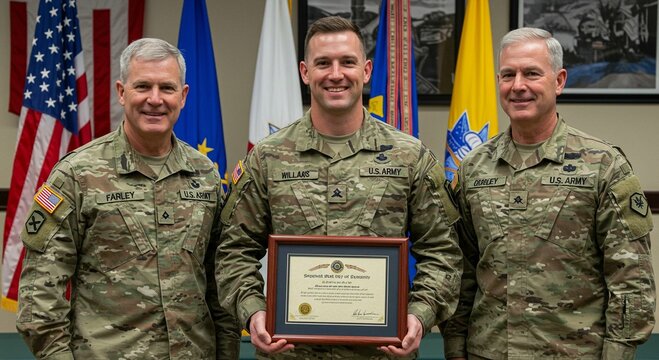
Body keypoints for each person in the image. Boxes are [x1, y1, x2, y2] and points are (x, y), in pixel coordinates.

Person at [216, 16, 462, 359]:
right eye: (322, 63)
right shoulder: (268, 158)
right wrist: (254, 311)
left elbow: (443, 252)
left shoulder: (409, 156)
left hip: (381, 353)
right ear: (304, 72)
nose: (335, 74)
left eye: (347, 62)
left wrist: (418, 316)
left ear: (366, 70)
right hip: (290, 353)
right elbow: (234, 251)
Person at [16, 38, 240, 359]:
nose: (155, 99)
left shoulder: (205, 174)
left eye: (167, 88)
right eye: (142, 86)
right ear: (122, 92)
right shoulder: (78, 174)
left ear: (183, 96)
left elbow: (219, 283)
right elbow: (40, 292)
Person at [440, 27, 656, 359]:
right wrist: (455, 347)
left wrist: (618, 352)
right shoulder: (473, 168)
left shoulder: (603, 165)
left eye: (531, 73)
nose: (518, 86)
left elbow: (631, 276)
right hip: (489, 351)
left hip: (573, 352)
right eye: (508, 75)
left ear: (559, 80)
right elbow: (462, 270)